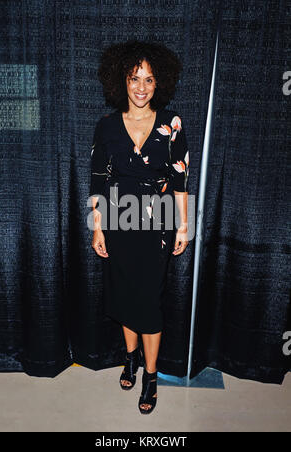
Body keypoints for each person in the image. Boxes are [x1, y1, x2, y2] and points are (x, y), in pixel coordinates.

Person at [89, 39, 189, 415]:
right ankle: (129, 358)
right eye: (135, 78)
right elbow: (98, 181)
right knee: (125, 296)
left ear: (158, 82)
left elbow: (181, 179)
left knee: (148, 302)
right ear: (123, 81)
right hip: (117, 220)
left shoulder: (172, 123)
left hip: (158, 225)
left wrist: (183, 227)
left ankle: (151, 376)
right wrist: (98, 229)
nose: (142, 87)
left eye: (149, 79)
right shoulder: (107, 126)